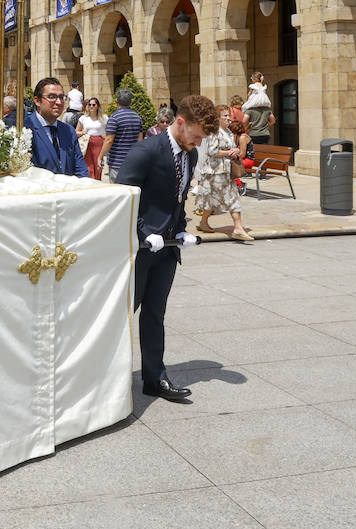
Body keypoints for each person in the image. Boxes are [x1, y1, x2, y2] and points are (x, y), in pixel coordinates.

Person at [116, 94, 215, 403]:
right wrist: (143, 232)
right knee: (121, 317)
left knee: (155, 314)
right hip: (139, 249)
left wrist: (181, 229)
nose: (198, 144)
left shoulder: (191, 155)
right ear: (180, 122)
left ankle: (154, 378)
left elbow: (176, 198)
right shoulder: (145, 151)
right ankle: (100, 378)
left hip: (168, 249)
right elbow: (122, 199)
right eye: (196, 136)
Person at [190, 105, 253, 241]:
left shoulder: (229, 132)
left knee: (225, 198)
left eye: (228, 115)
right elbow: (212, 152)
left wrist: (235, 151)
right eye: (225, 115)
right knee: (220, 199)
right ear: (217, 118)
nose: (228, 118)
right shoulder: (214, 132)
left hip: (226, 171)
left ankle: (231, 226)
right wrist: (228, 152)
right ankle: (233, 227)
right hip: (214, 172)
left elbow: (230, 148)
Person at [24, 77, 89, 177]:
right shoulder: (25, 130)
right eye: (51, 97)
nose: (59, 102)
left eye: (61, 97)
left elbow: (80, 169)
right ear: (37, 101)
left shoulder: (68, 131)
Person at [100, 88, 143, 178]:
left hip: (117, 163)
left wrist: (100, 156)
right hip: (133, 162)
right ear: (131, 102)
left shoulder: (114, 118)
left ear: (116, 101)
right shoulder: (137, 117)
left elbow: (109, 140)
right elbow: (140, 141)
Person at [76, 97, 105, 179]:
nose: (91, 106)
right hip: (87, 143)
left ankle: (98, 182)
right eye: (89, 104)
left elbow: (109, 132)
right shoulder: (83, 118)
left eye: (93, 105)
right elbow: (76, 132)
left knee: (98, 165)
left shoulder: (104, 118)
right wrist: (82, 132)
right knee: (88, 166)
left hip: (99, 143)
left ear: (98, 106)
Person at [244, 72, 275, 146]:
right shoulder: (267, 110)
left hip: (253, 134)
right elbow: (273, 121)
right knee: (263, 152)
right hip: (265, 134)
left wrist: (247, 127)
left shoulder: (250, 110)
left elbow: (244, 120)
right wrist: (267, 125)